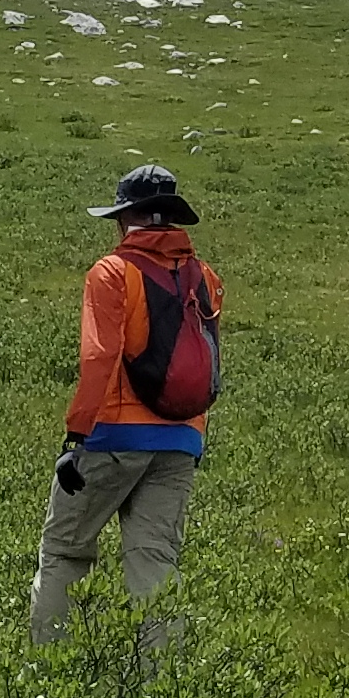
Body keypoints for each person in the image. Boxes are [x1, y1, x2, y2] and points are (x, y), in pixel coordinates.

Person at [30, 162, 222, 641]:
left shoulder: (112, 272)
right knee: (155, 559)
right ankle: (160, 686)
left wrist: (75, 437)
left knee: (66, 552)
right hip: (182, 438)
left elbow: (100, 357)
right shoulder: (206, 278)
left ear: (124, 218)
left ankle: (50, 674)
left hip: (113, 436)